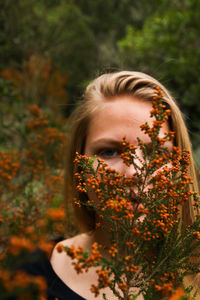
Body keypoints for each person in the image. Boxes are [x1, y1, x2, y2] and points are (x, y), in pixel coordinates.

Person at [23, 71, 200, 299]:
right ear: (80, 166)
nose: (136, 172)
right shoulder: (26, 278)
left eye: (156, 153)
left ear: (179, 168)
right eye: (110, 151)